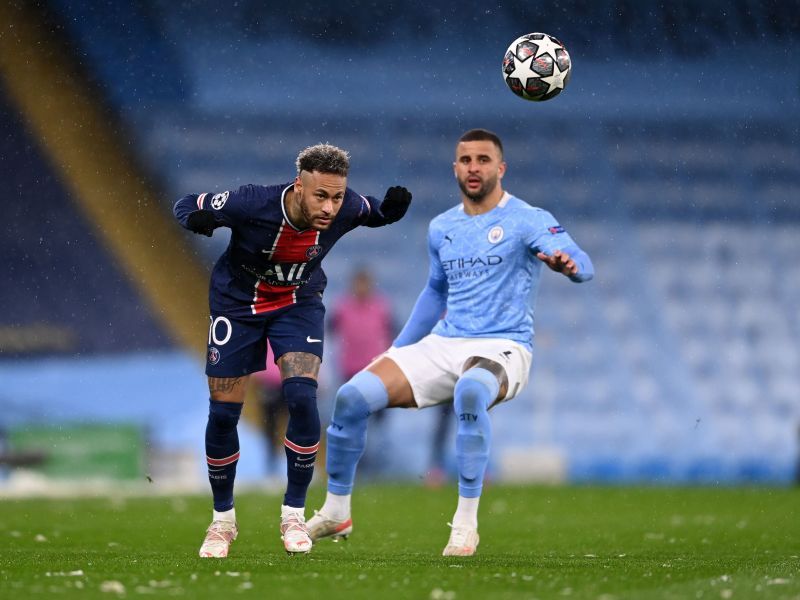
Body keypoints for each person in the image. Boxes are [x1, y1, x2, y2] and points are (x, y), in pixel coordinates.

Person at [307, 128, 594, 556]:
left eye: (482, 159)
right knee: (351, 397)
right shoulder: (442, 227)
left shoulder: (528, 218)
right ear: (455, 168)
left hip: (504, 346)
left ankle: (465, 523)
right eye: (465, 160)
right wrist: (398, 349)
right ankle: (336, 510)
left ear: (501, 167)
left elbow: (584, 264)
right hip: (445, 342)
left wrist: (567, 266)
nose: (473, 168)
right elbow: (435, 294)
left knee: (471, 391)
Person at [173, 143, 412, 557]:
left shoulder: (347, 206)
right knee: (225, 411)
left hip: (297, 304)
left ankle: (293, 515)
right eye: (321, 195)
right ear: (299, 186)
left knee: (302, 397)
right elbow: (185, 204)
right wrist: (196, 219)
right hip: (237, 304)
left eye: (337, 196)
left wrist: (391, 210)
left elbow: (372, 211)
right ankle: (222, 522)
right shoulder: (252, 201)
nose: (330, 207)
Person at [329, 267, 394, 475]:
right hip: (351, 373)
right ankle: (357, 467)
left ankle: (375, 467)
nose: (361, 288)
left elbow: (393, 335)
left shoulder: (381, 307)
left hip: (376, 372)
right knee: (353, 421)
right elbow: (329, 333)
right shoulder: (342, 308)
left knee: (377, 424)